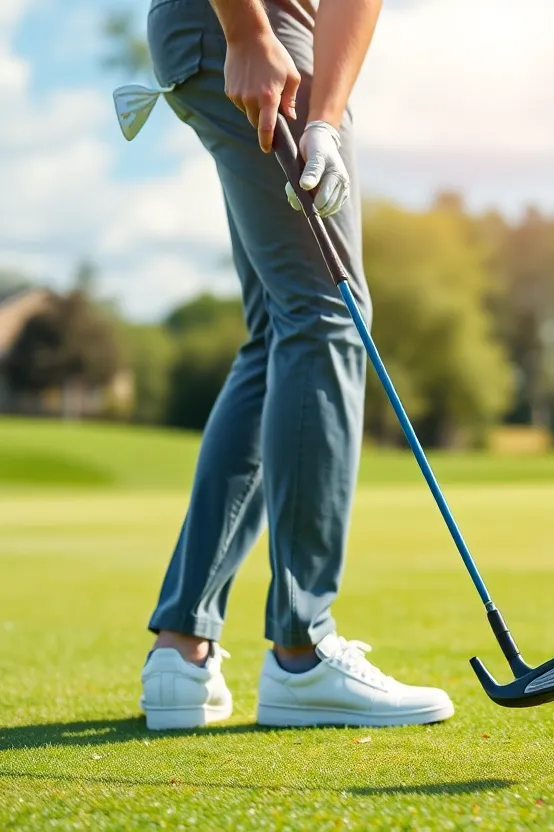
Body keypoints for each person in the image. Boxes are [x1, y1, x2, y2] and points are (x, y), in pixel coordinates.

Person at [134, 0, 454, 731]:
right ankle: (302, 654)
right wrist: (246, 32)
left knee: (278, 333)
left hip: (253, 33)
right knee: (325, 318)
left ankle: (181, 653)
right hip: (248, 26)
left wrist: (324, 117)